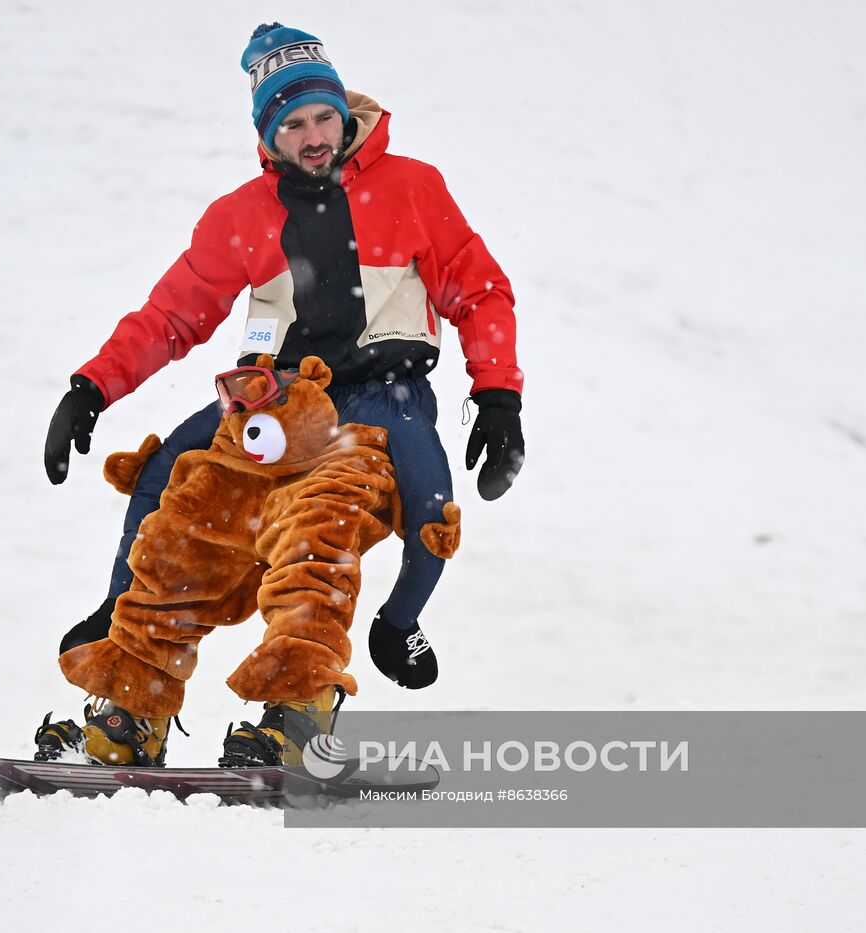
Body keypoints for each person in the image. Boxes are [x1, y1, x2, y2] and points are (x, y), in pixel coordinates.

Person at [38, 23, 525, 766]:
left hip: (379, 399)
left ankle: (298, 711)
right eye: (293, 124)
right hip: (273, 400)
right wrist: (92, 386)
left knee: (318, 523)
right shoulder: (241, 216)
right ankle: (134, 700)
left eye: (325, 117)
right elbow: (173, 315)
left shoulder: (412, 189)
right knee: (175, 487)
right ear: (269, 134)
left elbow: (481, 290)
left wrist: (498, 398)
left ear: (346, 111)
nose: (315, 136)